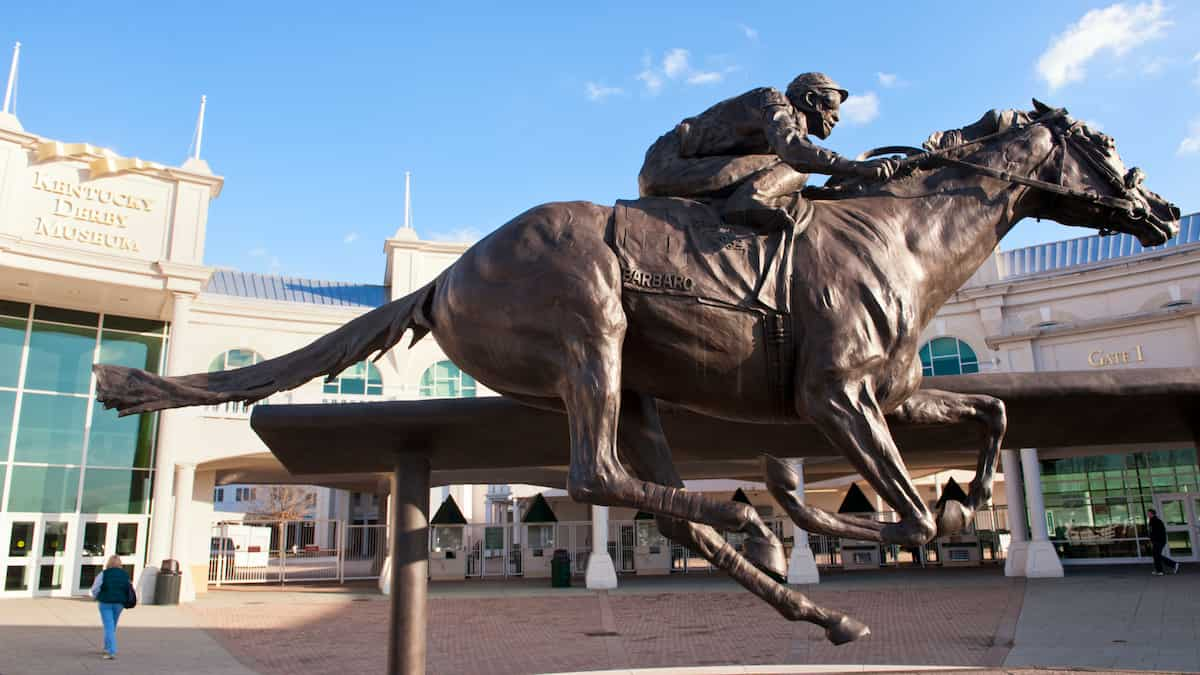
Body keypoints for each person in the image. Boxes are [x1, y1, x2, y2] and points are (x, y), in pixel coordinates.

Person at [638, 72, 899, 233]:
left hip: (684, 168)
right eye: (832, 106)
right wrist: (856, 167)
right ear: (811, 100)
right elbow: (795, 151)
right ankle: (748, 204)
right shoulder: (771, 100)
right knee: (795, 165)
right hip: (668, 165)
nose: (837, 118)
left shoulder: (789, 131)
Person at [90, 554, 132, 659]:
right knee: (112, 626)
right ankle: (107, 647)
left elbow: (95, 588)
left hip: (105, 602)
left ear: (109, 563)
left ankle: (111, 651)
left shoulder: (104, 574)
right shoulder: (124, 575)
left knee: (108, 626)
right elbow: (128, 588)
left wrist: (96, 596)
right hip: (119, 603)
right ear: (120, 564)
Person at [1147, 509, 1180, 576]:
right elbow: (1152, 532)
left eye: (1149, 513)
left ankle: (1173, 564)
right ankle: (1159, 571)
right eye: (1148, 513)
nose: (1148, 514)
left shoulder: (1155, 521)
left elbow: (1155, 532)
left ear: (1152, 514)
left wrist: (1152, 539)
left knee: (1156, 555)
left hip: (1159, 541)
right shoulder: (1153, 521)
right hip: (1158, 540)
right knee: (1156, 555)